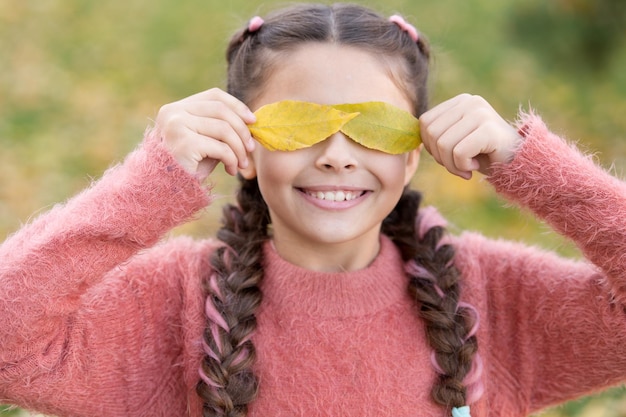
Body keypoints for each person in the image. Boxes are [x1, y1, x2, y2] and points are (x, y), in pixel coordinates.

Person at [1, 2, 626, 417]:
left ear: (414, 152)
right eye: (299, 125)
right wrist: (150, 182)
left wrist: (530, 164)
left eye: (373, 128)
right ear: (244, 146)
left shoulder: (488, 296)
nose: (334, 155)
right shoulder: (177, 301)